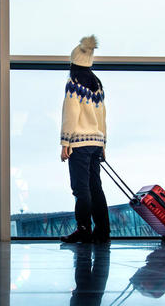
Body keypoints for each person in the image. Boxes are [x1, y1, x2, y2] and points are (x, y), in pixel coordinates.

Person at [60, 35, 110, 243]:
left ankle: (83, 229)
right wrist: (103, 144)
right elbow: (102, 116)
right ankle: (102, 230)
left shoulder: (73, 84)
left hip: (79, 144)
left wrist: (65, 143)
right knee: (95, 187)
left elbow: (70, 116)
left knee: (81, 189)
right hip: (96, 142)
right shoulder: (96, 84)